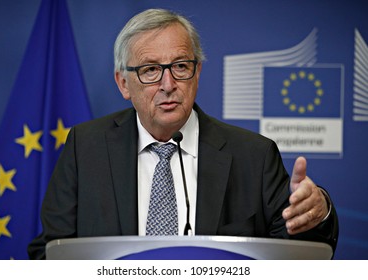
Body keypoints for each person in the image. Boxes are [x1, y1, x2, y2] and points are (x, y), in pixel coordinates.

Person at [28, 8, 338, 259]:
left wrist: (318, 212)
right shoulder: (87, 147)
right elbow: (52, 251)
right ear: (124, 84)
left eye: (180, 66)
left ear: (197, 73)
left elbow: (294, 250)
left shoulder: (253, 155)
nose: (167, 84)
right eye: (150, 70)